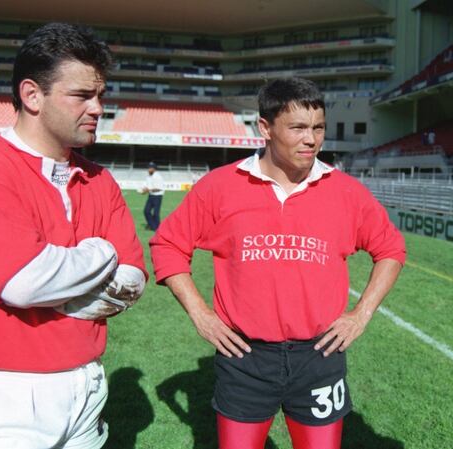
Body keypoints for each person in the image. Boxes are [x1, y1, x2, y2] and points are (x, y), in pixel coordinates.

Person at [150, 77, 405, 449]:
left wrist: (361, 314)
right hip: (245, 358)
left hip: (320, 356)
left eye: (318, 128)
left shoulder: (347, 192)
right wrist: (201, 314)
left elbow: (391, 250)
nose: (311, 139)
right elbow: (168, 245)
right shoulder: (221, 186)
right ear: (265, 128)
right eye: (298, 128)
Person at [0, 23, 147, 449]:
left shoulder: (99, 179)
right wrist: (100, 252)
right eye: (83, 96)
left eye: (101, 95)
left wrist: (57, 284)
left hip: (87, 386)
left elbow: (134, 280)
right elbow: (24, 282)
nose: (99, 108)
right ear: (32, 96)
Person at [140, 161, 164, 231]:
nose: (148, 169)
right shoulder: (148, 176)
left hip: (157, 196)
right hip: (151, 196)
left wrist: (148, 190)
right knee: (146, 211)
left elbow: (159, 188)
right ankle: (152, 225)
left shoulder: (158, 177)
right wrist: (143, 190)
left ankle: (157, 228)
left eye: (150, 168)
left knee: (156, 213)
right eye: (148, 168)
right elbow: (147, 186)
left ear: (154, 169)